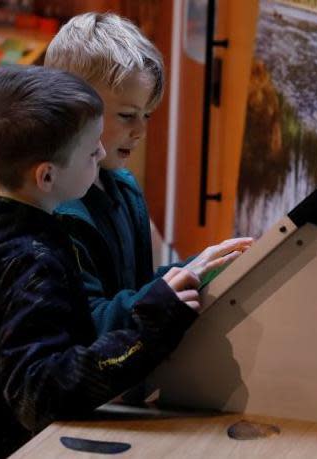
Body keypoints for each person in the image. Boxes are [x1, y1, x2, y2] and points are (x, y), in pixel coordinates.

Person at [0, 65, 202, 459]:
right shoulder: (30, 264)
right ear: (47, 177)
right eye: (91, 151)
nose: (103, 153)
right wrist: (150, 329)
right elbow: (41, 393)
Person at [45, 12, 253, 335]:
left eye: (147, 115)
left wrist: (201, 267)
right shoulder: (59, 210)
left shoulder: (124, 187)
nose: (140, 130)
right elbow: (89, 325)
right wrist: (167, 292)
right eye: (128, 115)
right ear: (72, 108)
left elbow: (138, 288)